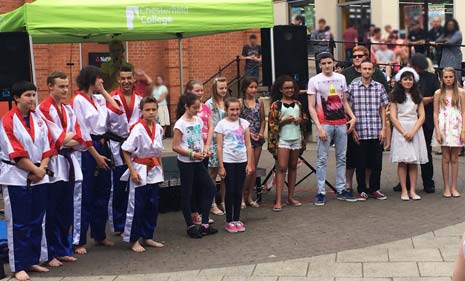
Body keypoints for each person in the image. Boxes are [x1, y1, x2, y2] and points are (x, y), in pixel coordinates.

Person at [0, 81, 53, 281]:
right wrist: (36, 170)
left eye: (33, 94)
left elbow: (48, 146)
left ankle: (32, 259)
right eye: (27, 95)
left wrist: (43, 169)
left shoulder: (38, 119)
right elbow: (15, 152)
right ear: (16, 98)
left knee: (36, 220)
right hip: (16, 176)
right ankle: (18, 265)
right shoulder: (7, 121)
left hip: (39, 173)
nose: (32, 99)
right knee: (19, 223)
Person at [71, 65, 121, 254]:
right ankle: (80, 239)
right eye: (99, 78)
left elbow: (117, 110)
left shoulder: (99, 98)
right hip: (88, 148)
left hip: (103, 143)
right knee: (86, 193)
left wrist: (104, 92)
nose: (101, 81)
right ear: (91, 79)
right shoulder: (78, 100)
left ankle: (99, 234)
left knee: (103, 191)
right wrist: (95, 155)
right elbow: (82, 130)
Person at [37, 72, 84, 267]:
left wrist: (68, 139)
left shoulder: (68, 109)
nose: (65, 90)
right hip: (53, 162)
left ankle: (63, 248)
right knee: (52, 209)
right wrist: (67, 138)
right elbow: (55, 139)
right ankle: (51, 252)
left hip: (67, 161)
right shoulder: (43, 108)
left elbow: (80, 137)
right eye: (61, 86)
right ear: (50, 86)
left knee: (66, 208)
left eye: (66, 86)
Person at [307, 52, 357, 206]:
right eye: (323, 63)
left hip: (341, 122)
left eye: (329, 62)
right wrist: (319, 127)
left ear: (334, 62)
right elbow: (311, 106)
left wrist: (352, 117)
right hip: (325, 123)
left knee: (342, 157)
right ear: (320, 65)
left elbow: (344, 101)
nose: (327, 66)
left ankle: (341, 189)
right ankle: (321, 191)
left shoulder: (341, 78)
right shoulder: (314, 80)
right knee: (322, 158)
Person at [342, 45, 389, 191]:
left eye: (369, 69)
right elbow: (346, 104)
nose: (367, 71)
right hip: (357, 127)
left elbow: (383, 106)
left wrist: (384, 128)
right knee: (356, 159)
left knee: (373, 161)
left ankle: (372, 187)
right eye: (355, 56)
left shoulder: (379, 83)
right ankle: (355, 186)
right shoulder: (349, 81)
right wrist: (352, 125)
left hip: (374, 128)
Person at [121, 96, 165, 252]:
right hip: (140, 169)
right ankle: (133, 239)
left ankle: (148, 236)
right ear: (141, 111)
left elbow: (158, 152)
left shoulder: (158, 128)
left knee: (152, 205)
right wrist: (132, 171)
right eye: (147, 110)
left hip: (154, 169)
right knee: (137, 206)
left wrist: (162, 168)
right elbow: (126, 150)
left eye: (153, 109)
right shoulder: (137, 128)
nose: (151, 112)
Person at [172, 93, 218, 238]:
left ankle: (204, 223)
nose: (197, 110)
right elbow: (175, 146)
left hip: (198, 160)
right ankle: (190, 226)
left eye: (199, 107)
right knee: (187, 193)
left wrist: (205, 149)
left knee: (210, 188)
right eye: (194, 108)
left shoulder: (198, 120)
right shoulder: (180, 124)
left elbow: (199, 139)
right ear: (186, 106)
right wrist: (192, 154)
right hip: (187, 162)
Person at [392, 54, 439, 193]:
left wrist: (424, 100)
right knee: (405, 154)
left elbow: (436, 95)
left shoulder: (431, 78)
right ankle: (404, 184)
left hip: (424, 119)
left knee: (424, 152)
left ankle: (428, 181)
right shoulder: (407, 76)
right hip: (405, 123)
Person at [107, 65, 143, 234]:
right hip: (116, 146)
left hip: (134, 147)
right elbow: (103, 124)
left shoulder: (140, 99)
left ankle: (133, 218)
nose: (126, 81)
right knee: (118, 186)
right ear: (118, 79)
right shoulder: (111, 98)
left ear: (134, 79)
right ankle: (118, 223)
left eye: (129, 78)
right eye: (123, 78)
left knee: (134, 184)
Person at [389, 67, 428, 201]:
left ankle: (412, 190)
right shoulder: (395, 96)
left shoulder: (417, 97)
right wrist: (404, 132)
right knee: (403, 161)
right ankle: (404, 190)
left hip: (415, 128)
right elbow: (393, 117)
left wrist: (413, 131)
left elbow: (422, 115)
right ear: (400, 81)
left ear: (414, 81)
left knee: (413, 161)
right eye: (405, 79)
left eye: (410, 79)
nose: (407, 82)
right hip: (401, 130)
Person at [216, 97, 254, 232]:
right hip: (228, 160)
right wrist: (221, 165)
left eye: (237, 109)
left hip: (241, 160)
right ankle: (229, 220)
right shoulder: (221, 125)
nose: (235, 112)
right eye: (232, 109)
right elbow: (219, 146)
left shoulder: (244, 124)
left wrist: (249, 163)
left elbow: (248, 144)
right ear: (226, 110)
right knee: (230, 190)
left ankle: (237, 218)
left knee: (239, 191)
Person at [269, 75, 307, 210]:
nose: (289, 90)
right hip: (282, 139)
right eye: (286, 88)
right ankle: (278, 200)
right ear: (280, 89)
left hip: (296, 138)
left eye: (291, 87)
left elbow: (304, 118)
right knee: (281, 167)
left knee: (293, 167)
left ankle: (290, 196)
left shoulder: (298, 104)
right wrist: (283, 121)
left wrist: (300, 120)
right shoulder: (276, 105)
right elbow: (272, 124)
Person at [183, 80, 214, 224]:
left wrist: (207, 146)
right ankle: (194, 213)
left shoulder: (206, 108)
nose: (200, 93)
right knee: (193, 184)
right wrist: (192, 152)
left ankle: (202, 212)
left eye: (202, 90)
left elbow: (210, 126)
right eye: (197, 90)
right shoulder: (186, 111)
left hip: (203, 150)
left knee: (203, 183)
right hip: (190, 153)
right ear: (189, 92)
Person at [433, 67, 465, 198]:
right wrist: (437, 131)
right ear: (442, 78)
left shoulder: (461, 93)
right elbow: (435, 113)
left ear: (454, 77)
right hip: (443, 125)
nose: (448, 79)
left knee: (455, 158)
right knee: (446, 158)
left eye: (451, 77)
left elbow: (463, 111)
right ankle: (446, 187)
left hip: (457, 125)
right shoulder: (438, 93)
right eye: (446, 77)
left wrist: (463, 130)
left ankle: (454, 186)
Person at [239, 77, 265, 208]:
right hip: (245, 138)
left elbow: (262, 120)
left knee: (254, 169)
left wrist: (260, 133)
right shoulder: (240, 102)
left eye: (255, 87)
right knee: (247, 169)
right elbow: (238, 122)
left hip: (257, 139)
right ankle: (242, 195)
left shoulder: (259, 102)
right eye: (251, 87)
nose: (254, 90)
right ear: (245, 88)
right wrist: (249, 134)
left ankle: (249, 196)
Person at [205, 77, 228, 215]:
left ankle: (224, 201)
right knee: (212, 174)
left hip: (227, 143)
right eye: (221, 88)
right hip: (214, 143)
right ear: (215, 89)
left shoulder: (227, 102)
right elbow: (210, 126)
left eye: (225, 88)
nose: (224, 90)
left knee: (225, 174)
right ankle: (212, 203)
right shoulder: (209, 104)